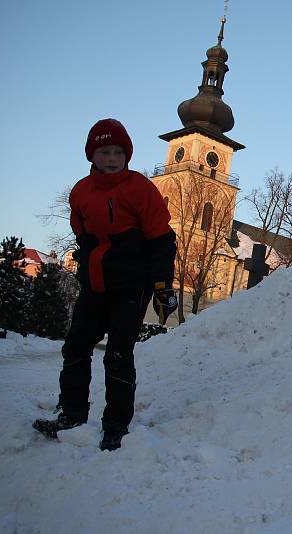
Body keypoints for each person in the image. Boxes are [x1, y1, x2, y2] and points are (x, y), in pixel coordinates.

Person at [33, 119, 178, 450]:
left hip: (131, 286)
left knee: (117, 354)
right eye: (103, 151)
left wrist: (162, 287)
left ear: (126, 154)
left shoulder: (140, 189)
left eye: (117, 152)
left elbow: (162, 241)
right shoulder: (81, 192)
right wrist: (85, 262)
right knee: (76, 347)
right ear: (92, 155)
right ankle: (71, 414)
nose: (111, 158)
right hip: (95, 285)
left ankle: (116, 425)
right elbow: (83, 235)